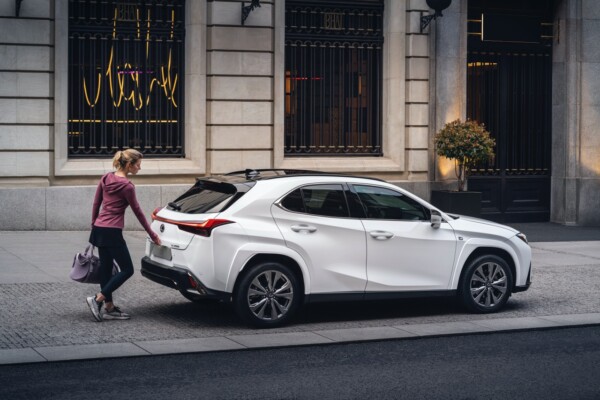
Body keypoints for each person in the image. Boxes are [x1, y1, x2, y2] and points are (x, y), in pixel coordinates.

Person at [86, 149, 161, 322]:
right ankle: (98, 299)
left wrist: (94, 226)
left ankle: (109, 308)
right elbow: (139, 213)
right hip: (112, 231)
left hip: (99, 228)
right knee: (127, 269)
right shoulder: (127, 186)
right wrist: (152, 234)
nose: (139, 168)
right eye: (138, 165)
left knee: (106, 268)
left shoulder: (106, 178)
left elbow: (96, 203)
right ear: (129, 164)